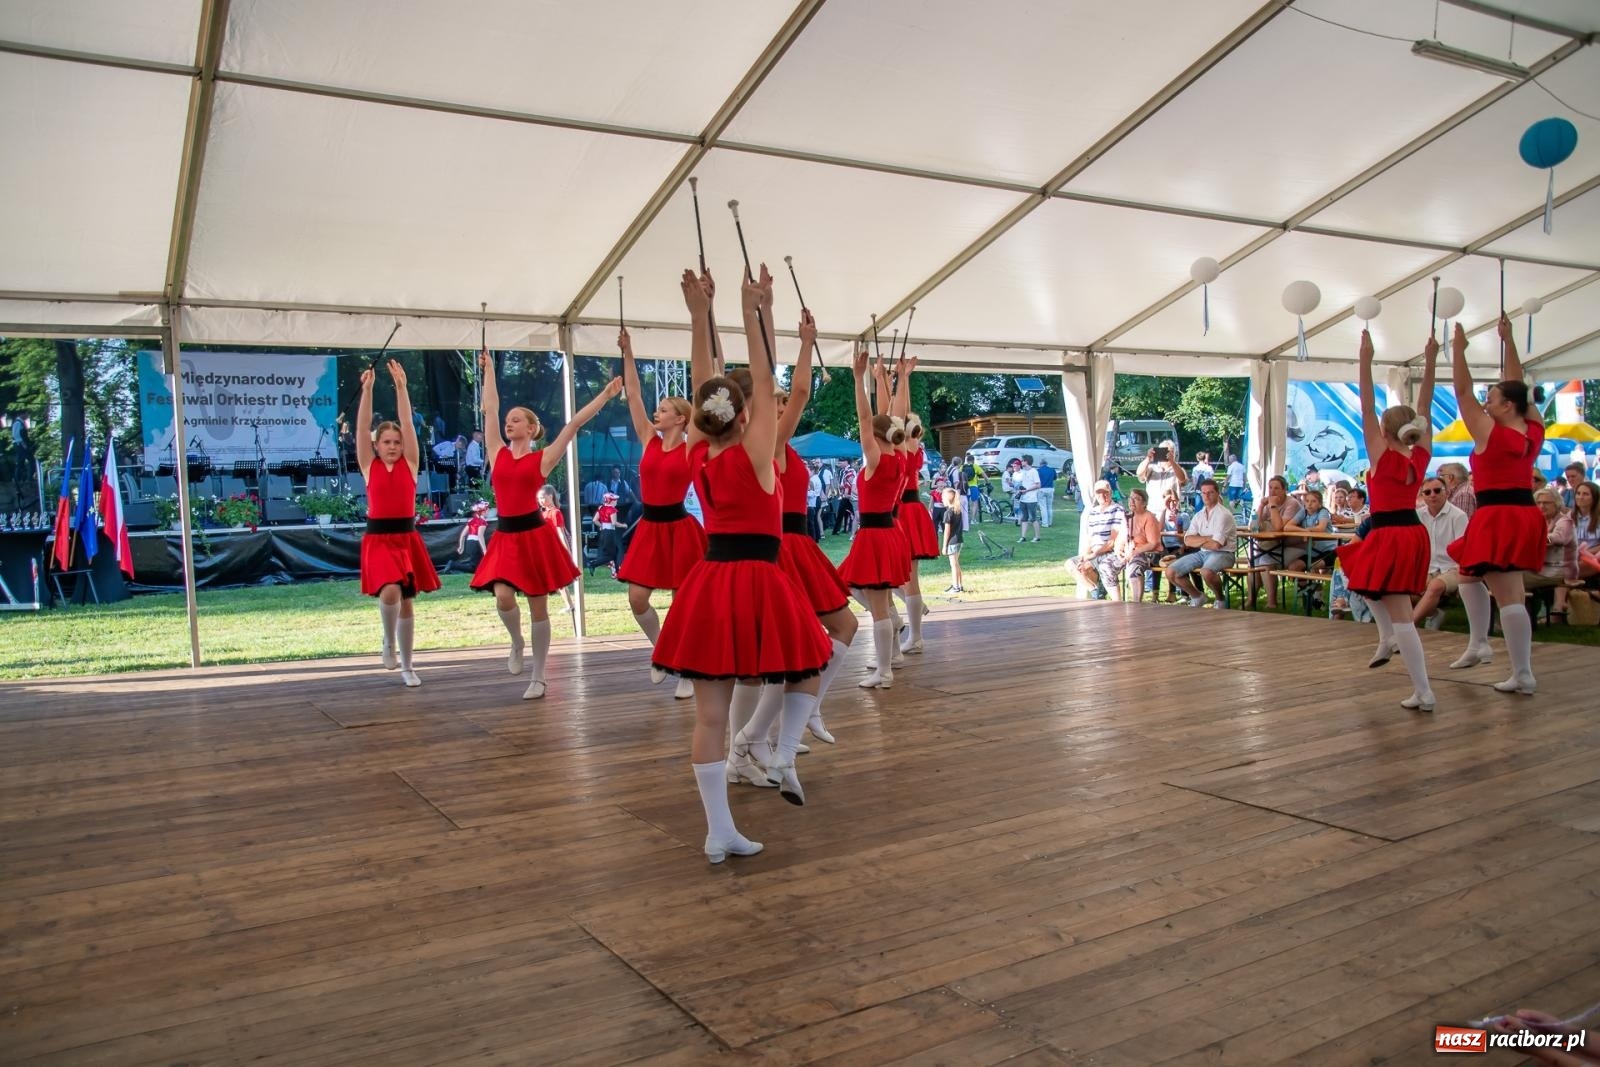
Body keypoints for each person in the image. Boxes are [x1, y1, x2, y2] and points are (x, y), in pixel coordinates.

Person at [653, 264, 832, 852]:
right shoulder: (758, 451)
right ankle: (779, 752)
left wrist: (700, 315)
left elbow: (708, 379)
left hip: (709, 581)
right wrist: (754, 310)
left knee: (710, 716)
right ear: (748, 414)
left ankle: (719, 830)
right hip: (757, 577)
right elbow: (760, 373)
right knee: (812, 657)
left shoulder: (697, 455)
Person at [730, 308, 857, 782]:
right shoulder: (764, 441)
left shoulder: (783, 444)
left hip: (800, 545)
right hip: (780, 549)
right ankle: (749, 743)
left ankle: (795, 718)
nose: (782, 406)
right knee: (786, 656)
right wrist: (805, 342)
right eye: (773, 401)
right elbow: (802, 389)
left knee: (835, 633)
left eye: (780, 402)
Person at [471, 349, 622, 700]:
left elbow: (574, 424)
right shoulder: (497, 452)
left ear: (531, 427)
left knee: (538, 606)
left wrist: (605, 394)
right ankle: (516, 641)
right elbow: (489, 409)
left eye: (516, 420)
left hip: (533, 535)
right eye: (508, 421)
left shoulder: (543, 458)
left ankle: (539, 676)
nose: (508, 423)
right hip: (507, 535)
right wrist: (490, 369)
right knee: (503, 597)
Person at [1335, 328, 1438, 711]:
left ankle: (1423, 688)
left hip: (1391, 532)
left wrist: (1365, 358)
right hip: (1411, 530)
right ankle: (1387, 637)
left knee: (1401, 615)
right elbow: (1423, 406)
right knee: (1358, 573)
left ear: (1384, 430)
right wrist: (1430, 362)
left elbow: (1364, 406)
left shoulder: (1383, 455)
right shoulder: (1420, 455)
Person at [1446, 316, 1545, 695]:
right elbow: (1518, 385)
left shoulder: (1491, 431)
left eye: (1493, 399)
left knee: (1509, 595)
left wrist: (1458, 350)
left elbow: (1461, 390)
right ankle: (1479, 643)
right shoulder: (1532, 428)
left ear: (1506, 406)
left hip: (1498, 515)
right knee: (1469, 574)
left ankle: (1522, 672)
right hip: (1522, 512)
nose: (1486, 403)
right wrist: (1509, 341)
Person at [615, 326, 705, 701]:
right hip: (650, 528)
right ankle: (661, 654)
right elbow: (633, 394)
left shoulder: (690, 447)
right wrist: (628, 351)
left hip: (680, 527)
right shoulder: (648, 440)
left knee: (683, 602)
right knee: (638, 598)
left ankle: (686, 666)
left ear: (681, 419)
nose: (658, 411)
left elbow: (703, 399)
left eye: (665, 409)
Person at [356, 361, 440, 689]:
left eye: (396, 442)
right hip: (378, 539)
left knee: (406, 601)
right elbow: (363, 428)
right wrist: (368, 390)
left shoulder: (410, 463)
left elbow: (407, 422)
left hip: (406, 537)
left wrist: (402, 388)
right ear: (377, 446)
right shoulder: (368, 465)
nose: (392, 446)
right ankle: (387, 641)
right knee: (390, 591)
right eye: (386, 442)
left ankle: (408, 665)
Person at [838, 350, 913, 689]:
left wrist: (859, 379)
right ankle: (891, 645)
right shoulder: (900, 456)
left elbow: (868, 418)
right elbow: (893, 416)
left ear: (876, 436)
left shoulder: (876, 459)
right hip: (890, 532)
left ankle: (884, 670)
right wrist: (891, 379)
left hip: (874, 534)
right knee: (854, 586)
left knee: (877, 605)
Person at [896, 407, 939, 653]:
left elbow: (898, 409)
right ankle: (914, 622)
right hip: (906, 509)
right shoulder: (915, 448)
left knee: (909, 578)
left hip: (906, 511)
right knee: (898, 576)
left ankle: (915, 635)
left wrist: (900, 379)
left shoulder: (909, 448)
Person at [1164, 479, 1236, 608]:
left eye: (1210, 492)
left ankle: (1220, 599)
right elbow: (1187, 540)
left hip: (1224, 553)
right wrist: (1208, 538)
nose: (1206, 496)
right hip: (1203, 553)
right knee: (1170, 571)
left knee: (1206, 572)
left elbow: (1217, 545)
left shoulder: (1223, 515)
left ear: (1217, 493)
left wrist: (1198, 540)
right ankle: (1197, 596)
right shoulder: (1199, 515)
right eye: (1204, 493)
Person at [1411, 475, 1470, 629]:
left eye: (1437, 490)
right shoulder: (1418, 515)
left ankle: (1408, 628)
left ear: (1446, 492)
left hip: (1453, 567)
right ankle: (1432, 613)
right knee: (1402, 586)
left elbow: (1462, 550)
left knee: (1435, 586)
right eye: (1427, 492)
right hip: (1427, 566)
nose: (1433, 495)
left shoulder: (1458, 516)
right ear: (1422, 496)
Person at [1246, 476, 1305, 611]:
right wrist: (1261, 506)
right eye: (1270, 487)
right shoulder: (1266, 504)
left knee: (1265, 561)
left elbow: (1279, 528)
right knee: (1253, 560)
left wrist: (1272, 505)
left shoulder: (1292, 504)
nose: (1272, 491)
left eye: (1277, 488)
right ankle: (1251, 599)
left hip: (1296, 546)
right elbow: (1253, 527)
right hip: (1274, 545)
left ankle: (1272, 601)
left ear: (1285, 490)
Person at [1072, 480, 1126, 600]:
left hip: (1110, 551)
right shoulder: (1093, 512)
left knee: (1100, 566)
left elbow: (1112, 541)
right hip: (1094, 552)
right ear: (1095, 495)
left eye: (1105, 492)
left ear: (1111, 493)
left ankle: (1117, 603)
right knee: (1073, 565)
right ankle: (1096, 592)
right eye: (1099, 493)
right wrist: (1084, 556)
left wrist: (1093, 555)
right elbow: (1090, 538)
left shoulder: (1117, 510)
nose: (1102, 496)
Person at [537, 485, 577, 618]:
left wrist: (567, 552)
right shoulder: (543, 513)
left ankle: (569, 605)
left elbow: (561, 533)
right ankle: (568, 605)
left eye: (543, 497)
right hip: (545, 549)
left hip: (555, 549)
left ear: (550, 496)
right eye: (539, 498)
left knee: (557, 579)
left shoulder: (555, 513)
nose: (541, 500)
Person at [1118, 488, 1164, 604]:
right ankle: (1116, 602)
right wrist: (1118, 549)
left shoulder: (1149, 518)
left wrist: (1134, 552)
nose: (1132, 501)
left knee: (1134, 567)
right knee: (1106, 565)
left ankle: (1136, 604)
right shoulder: (1128, 516)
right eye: (1131, 498)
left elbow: (1153, 543)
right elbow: (1121, 537)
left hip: (1148, 553)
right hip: (1129, 552)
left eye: (1136, 499)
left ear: (1144, 503)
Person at [1138, 440, 1187, 521]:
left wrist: (1172, 461)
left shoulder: (1177, 469)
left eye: (1170, 452)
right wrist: (1148, 458)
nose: (1166, 454)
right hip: (1152, 511)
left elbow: (1182, 478)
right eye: (1163, 451)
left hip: (1171, 513)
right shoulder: (1151, 468)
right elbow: (1139, 474)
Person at [1572, 480, 1600, 580]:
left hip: (1592, 556)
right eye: (1578, 493)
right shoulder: (1569, 517)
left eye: (1585, 494)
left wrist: (1585, 552)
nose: (1580, 497)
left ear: (1595, 498)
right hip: (1571, 556)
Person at [940, 486, 965, 593]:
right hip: (959, 539)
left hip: (952, 542)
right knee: (957, 564)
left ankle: (956, 587)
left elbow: (947, 531)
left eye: (942, 497)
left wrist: (944, 546)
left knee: (953, 565)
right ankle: (959, 585)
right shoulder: (957, 510)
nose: (941, 499)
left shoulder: (948, 513)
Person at [1014, 454, 1042, 543]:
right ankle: (1023, 537)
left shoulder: (1034, 471)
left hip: (1031, 499)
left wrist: (1027, 490)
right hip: (1023, 498)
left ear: (1026, 461)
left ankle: (1037, 537)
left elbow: (1038, 485)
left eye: (1022, 461)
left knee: (1033, 518)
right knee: (1024, 518)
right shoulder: (1024, 472)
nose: (1021, 462)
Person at [1036, 459, 1056, 528]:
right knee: (1049, 507)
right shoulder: (1052, 470)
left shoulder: (1038, 471)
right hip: (1050, 488)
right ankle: (1050, 522)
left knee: (1043, 507)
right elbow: (1054, 478)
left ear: (1041, 464)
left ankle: (1045, 523)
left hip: (1041, 489)